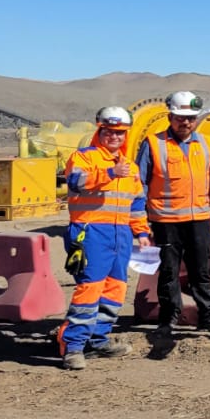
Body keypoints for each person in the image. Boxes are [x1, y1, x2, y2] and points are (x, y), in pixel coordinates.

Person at [135, 90, 210, 345]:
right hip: (165, 220)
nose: (186, 123)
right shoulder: (153, 144)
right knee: (169, 272)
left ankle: (209, 316)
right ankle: (168, 319)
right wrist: (138, 219)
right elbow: (140, 185)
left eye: (191, 118)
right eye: (181, 118)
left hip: (199, 219)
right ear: (170, 117)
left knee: (200, 271)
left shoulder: (204, 143)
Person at [58, 106, 153, 370]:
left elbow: (135, 204)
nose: (114, 137)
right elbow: (76, 181)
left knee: (115, 289)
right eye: (109, 132)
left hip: (120, 235)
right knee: (90, 288)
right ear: (100, 130)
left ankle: (98, 339)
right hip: (91, 232)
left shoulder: (130, 167)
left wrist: (142, 232)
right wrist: (110, 174)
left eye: (119, 133)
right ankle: (73, 346)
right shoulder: (84, 157)